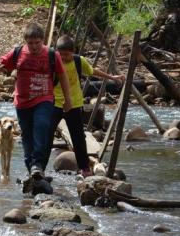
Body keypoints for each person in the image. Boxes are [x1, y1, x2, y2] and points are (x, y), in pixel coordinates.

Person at [0, 24, 72, 179]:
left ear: (43, 41)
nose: (34, 47)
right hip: (23, 102)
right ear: (25, 41)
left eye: (37, 43)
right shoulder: (18, 52)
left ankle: (37, 164)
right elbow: (1, 63)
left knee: (42, 125)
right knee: (27, 135)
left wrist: (68, 99)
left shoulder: (52, 55)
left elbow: (63, 77)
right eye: (30, 43)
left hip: (44, 98)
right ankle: (31, 168)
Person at [42, 35, 125, 177]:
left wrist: (112, 77)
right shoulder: (52, 61)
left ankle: (84, 168)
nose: (63, 57)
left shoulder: (79, 61)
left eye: (67, 54)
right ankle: (40, 167)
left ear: (73, 51)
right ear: (56, 52)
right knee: (46, 137)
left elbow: (93, 71)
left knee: (78, 137)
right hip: (54, 104)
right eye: (60, 54)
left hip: (74, 104)